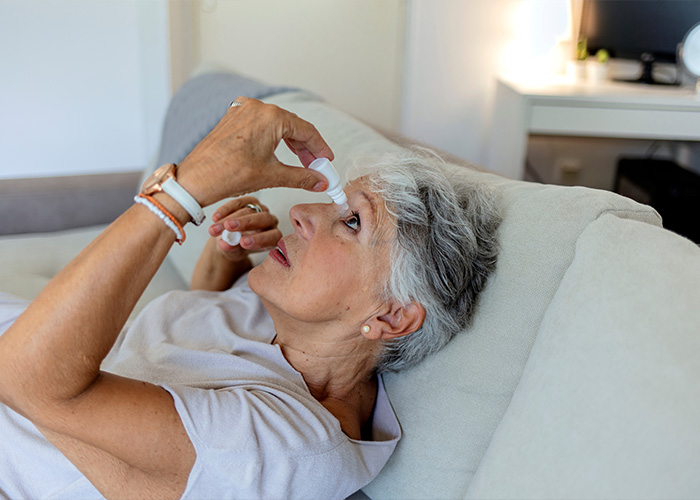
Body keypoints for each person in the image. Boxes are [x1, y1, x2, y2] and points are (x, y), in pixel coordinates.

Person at [0, 97, 500, 499]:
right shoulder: (297, 325)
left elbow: (26, 381)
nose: (302, 211)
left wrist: (183, 192)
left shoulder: (289, 448)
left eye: (352, 222)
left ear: (391, 315)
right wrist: (224, 265)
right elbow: (179, 359)